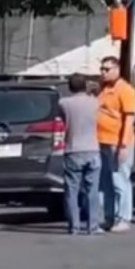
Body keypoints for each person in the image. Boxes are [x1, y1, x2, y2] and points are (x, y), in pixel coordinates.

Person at [96, 56, 135, 232]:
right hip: (102, 141)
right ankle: (108, 217)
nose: (103, 72)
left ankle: (123, 218)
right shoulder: (103, 89)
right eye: (102, 69)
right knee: (104, 182)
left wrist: (123, 145)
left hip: (118, 142)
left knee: (120, 180)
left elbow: (129, 119)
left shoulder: (126, 90)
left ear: (117, 69)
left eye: (107, 69)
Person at [58, 73, 103, 235]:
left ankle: (74, 226)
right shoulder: (95, 102)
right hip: (92, 148)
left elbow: (63, 120)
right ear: (85, 86)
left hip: (72, 149)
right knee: (92, 190)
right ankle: (92, 226)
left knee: (71, 190)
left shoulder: (63, 103)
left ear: (70, 87)